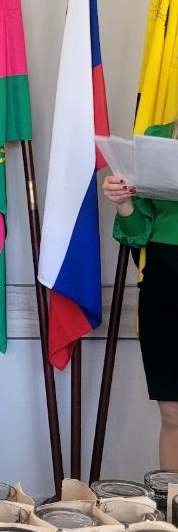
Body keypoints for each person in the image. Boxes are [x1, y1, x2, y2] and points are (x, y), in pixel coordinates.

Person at [103, 121, 178, 467]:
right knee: (172, 414)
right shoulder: (156, 139)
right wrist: (123, 202)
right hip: (164, 286)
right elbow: (138, 233)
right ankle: (173, 501)